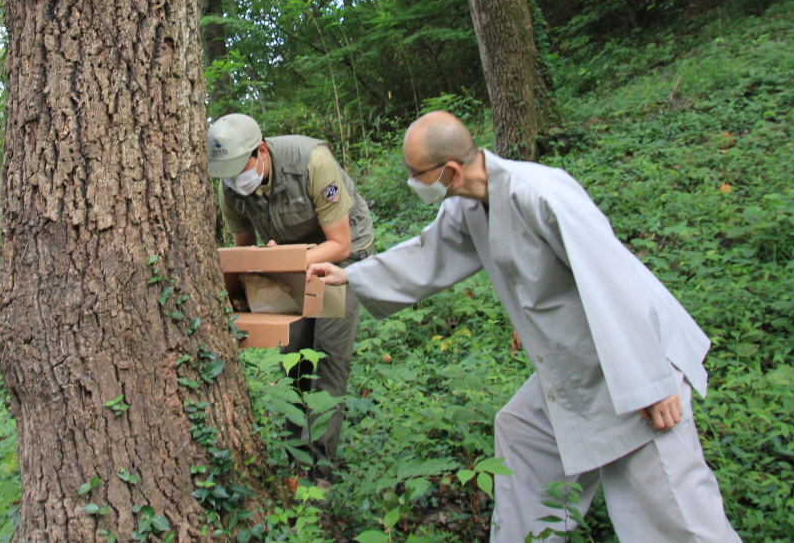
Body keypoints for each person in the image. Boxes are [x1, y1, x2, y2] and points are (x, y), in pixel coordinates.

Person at [307, 111, 740, 542]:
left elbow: (612, 277)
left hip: (635, 358)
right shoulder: (467, 205)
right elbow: (428, 254)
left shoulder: (539, 193)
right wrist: (353, 276)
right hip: (577, 362)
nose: (412, 182)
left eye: (416, 173)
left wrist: (651, 382)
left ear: (451, 170)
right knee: (522, 431)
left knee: (674, 513)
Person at [207, 113, 375, 487]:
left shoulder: (312, 161)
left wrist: (283, 259)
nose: (236, 181)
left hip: (341, 256)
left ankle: (319, 471)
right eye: (227, 174)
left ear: (261, 151)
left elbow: (340, 242)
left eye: (240, 169)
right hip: (289, 260)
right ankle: (295, 462)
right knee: (295, 356)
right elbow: (244, 252)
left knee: (328, 356)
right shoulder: (231, 189)